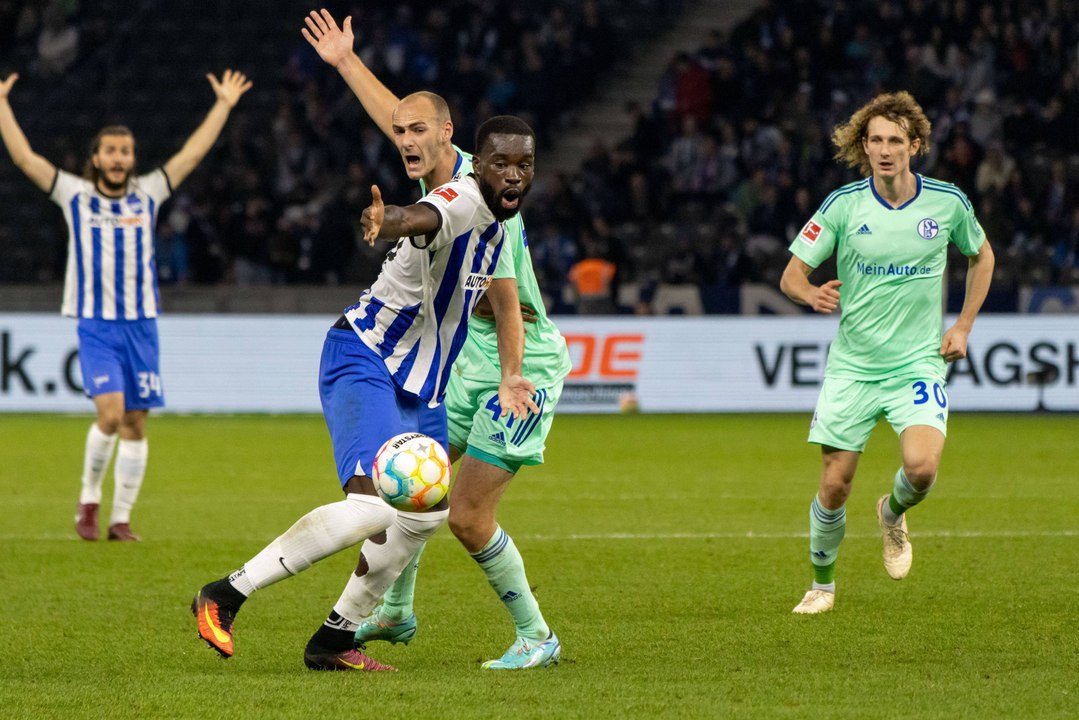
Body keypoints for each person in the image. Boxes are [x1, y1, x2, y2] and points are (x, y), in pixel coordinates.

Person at [192, 113, 542, 672]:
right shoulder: (462, 199)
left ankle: (333, 641)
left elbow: (498, 300)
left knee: (424, 515)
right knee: (372, 505)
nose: (513, 175)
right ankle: (224, 594)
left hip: (423, 384)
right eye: (500, 163)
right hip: (366, 356)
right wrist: (391, 218)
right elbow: (424, 215)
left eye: (524, 164)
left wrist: (509, 372)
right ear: (478, 163)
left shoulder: (500, 228)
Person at [302, 8, 571, 669]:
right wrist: (346, 62)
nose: (406, 141)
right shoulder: (440, 171)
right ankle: (394, 609)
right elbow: (403, 119)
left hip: (520, 359)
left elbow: (506, 303)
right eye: (404, 135)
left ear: (448, 137)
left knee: (467, 516)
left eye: (418, 133)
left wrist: (511, 373)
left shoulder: (488, 199)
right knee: (409, 487)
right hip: (456, 357)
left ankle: (537, 637)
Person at [0, 70, 252, 541]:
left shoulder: (148, 193)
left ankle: (120, 520)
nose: (118, 159)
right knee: (111, 415)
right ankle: (89, 500)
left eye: (125, 151)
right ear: (96, 158)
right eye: (111, 151)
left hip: (141, 325)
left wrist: (223, 104)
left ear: (133, 159)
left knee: (136, 423)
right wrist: (1, 105)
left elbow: (191, 155)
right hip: (96, 324)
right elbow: (25, 159)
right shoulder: (75, 195)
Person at [779, 91, 995, 614]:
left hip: (917, 362)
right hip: (853, 366)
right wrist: (810, 294)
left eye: (895, 140)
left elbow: (982, 256)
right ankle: (822, 586)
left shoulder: (947, 202)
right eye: (874, 140)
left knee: (922, 469)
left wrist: (963, 326)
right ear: (864, 145)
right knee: (834, 485)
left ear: (914, 145)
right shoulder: (843, 205)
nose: (884, 150)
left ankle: (892, 513)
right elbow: (791, 276)